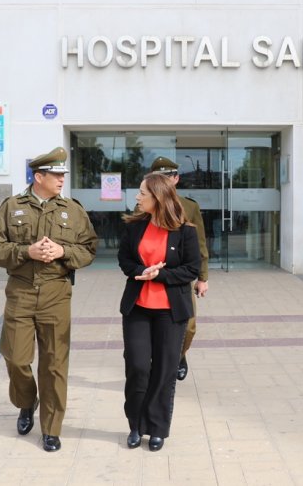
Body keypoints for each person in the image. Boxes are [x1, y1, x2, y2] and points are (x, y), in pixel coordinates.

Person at [0, 146, 98, 452]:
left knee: (54, 365)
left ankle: (51, 428)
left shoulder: (73, 210)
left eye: (63, 174)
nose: (62, 179)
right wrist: (26, 252)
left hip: (56, 294)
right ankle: (26, 401)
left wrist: (63, 252)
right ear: (39, 177)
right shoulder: (11, 207)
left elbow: (89, 249)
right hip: (20, 292)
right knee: (16, 357)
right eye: (56, 174)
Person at [118, 172, 201, 452]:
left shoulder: (185, 230)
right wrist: (142, 271)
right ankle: (135, 425)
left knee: (164, 372)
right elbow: (125, 260)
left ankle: (156, 429)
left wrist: (160, 274)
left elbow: (191, 269)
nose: (138, 197)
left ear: (158, 197)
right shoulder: (133, 226)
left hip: (170, 312)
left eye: (142, 193)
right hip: (138, 308)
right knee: (138, 368)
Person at [150, 156, 208, 381]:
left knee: (189, 326)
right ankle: (163, 361)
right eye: (160, 177)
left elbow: (200, 243)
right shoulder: (144, 205)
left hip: (182, 276)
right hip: (153, 276)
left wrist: (202, 278)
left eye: (170, 176)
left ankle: (179, 355)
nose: (166, 180)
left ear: (176, 179)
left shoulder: (190, 207)